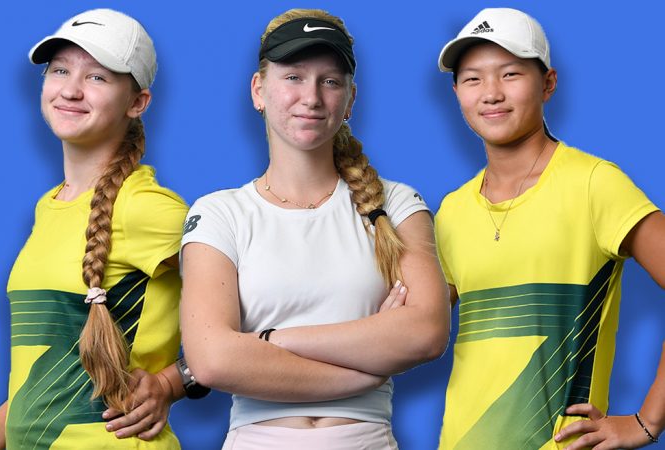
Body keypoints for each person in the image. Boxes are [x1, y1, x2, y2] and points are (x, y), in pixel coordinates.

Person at [180, 8, 450, 449]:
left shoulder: (396, 204)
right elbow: (211, 360)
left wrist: (271, 340)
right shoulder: (219, 213)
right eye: (293, 77)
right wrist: (371, 364)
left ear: (350, 100)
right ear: (258, 90)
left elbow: (426, 332)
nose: (312, 97)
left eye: (330, 81)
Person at [0, 8, 197, 449]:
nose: (70, 90)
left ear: (137, 102)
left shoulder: (147, 208)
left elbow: (266, 302)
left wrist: (176, 381)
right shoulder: (50, 207)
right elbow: (45, 382)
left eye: (97, 78)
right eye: (60, 70)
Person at [434, 7, 665, 450]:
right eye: (472, 78)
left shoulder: (595, 184)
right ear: (457, 93)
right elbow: (415, 327)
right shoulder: (452, 210)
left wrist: (647, 420)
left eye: (510, 74)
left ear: (548, 83)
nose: (491, 93)